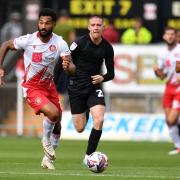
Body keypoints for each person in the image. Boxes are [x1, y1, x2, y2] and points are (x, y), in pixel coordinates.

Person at [0, 8, 73, 170]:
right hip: (32, 87)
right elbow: (5, 44)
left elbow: (72, 66)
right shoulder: (28, 40)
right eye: (41, 22)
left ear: (54, 24)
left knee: (58, 123)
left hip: (49, 86)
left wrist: (68, 67)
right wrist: (1, 68)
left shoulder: (60, 43)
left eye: (47, 23)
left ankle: (47, 160)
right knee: (53, 113)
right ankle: (45, 140)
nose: (43, 26)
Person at [68, 16, 114, 165]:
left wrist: (103, 78)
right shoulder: (79, 43)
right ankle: (86, 109)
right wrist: (54, 81)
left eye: (98, 25)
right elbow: (65, 61)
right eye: (93, 25)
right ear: (88, 27)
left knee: (99, 119)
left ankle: (88, 156)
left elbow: (111, 73)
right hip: (76, 88)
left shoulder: (107, 47)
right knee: (80, 128)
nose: (95, 27)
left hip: (94, 88)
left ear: (103, 27)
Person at [153, 27, 180, 155]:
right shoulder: (163, 54)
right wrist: (157, 72)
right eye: (167, 34)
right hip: (169, 87)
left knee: (172, 118)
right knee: (169, 121)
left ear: (176, 37)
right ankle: (178, 146)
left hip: (179, 88)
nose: (169, 36)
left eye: (172, 34)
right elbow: (162, 76)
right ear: (164, 36)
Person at [53, 9, 76, 109]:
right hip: (65, 54)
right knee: (64, 77)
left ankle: (53, 98)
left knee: (54, 75)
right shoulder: (69, 25)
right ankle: (61, 101)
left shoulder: (55, 25)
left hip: (54, 54)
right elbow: (72, 40)